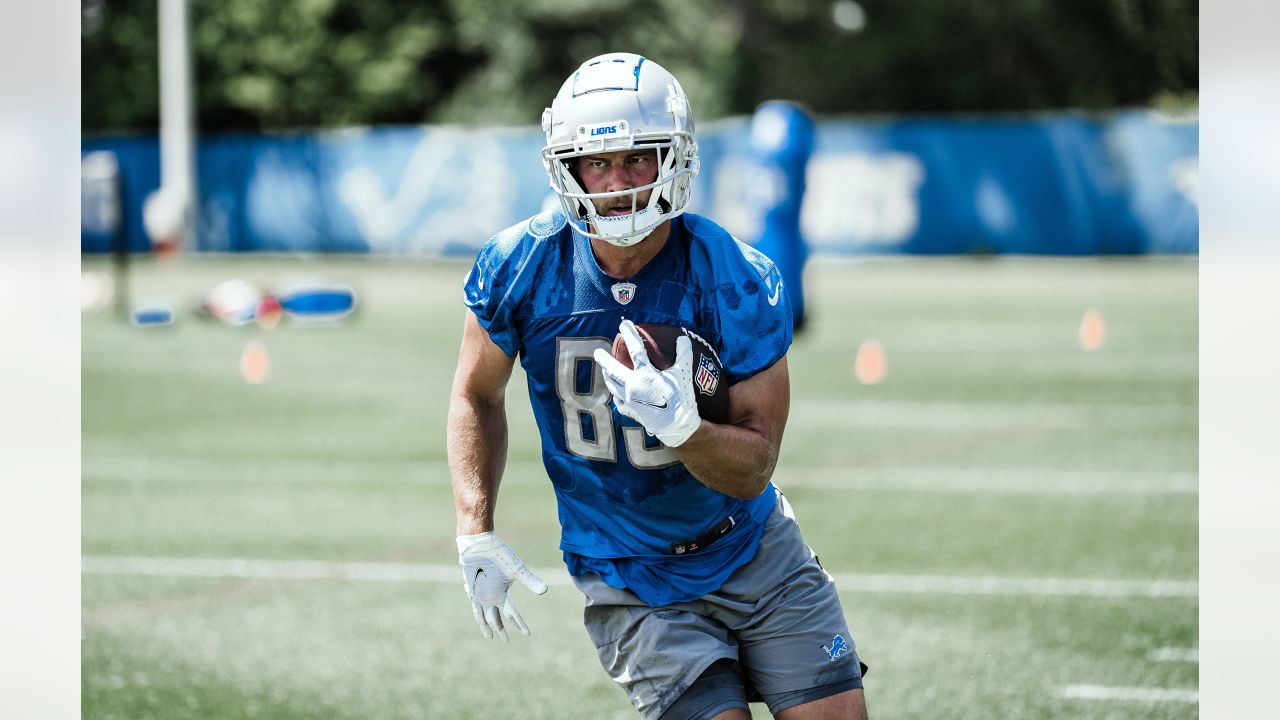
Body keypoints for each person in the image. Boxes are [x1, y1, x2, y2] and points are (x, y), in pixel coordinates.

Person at [447, 52, 868, 720]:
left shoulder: (735, 273)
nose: (616, 183)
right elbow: (476, 393)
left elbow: (754, 466)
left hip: (751, 543)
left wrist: (684, 429)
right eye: (596, 163)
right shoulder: (520, 264)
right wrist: (476, 531)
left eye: (638, 158)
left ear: (674, 159)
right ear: (568, 169)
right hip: (627, 571)